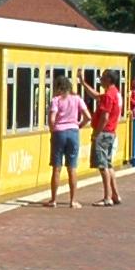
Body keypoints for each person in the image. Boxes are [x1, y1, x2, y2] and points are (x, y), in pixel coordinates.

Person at [46, 68, 87, 208]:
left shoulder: (56, 100)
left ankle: (53, 200)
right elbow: (88, 116)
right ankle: (73, 200)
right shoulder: (77, 99)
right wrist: (79, 125)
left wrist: (53, 130)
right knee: (72, 168)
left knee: (56, 168)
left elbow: (52, 119)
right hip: (73, 132)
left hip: (59, 133)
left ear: (58, 87)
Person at [90, 68, 124, 205]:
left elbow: (105, 117)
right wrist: (82, 82)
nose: (100, 79)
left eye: (103, 77)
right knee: (109, 165)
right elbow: (96, 96)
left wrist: (96, 133)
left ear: (109, 79)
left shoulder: (109, 95)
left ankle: (107, 197)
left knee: (102, 166)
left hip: (103, 134)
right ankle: (115, 195)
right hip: (111, 133)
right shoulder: (116, 93)